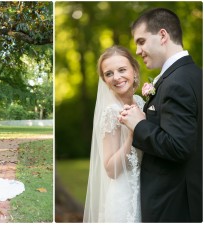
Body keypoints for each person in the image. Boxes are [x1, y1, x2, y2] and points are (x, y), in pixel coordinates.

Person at [119, 8, 202, 222]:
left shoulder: (177, 83)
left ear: (163, 35)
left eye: (141, 41)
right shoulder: (195, 75)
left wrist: (139, 125)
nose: (137, 50)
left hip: (173, 206)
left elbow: (179, 146)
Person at [83, 46, 145, 222]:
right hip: (124, 197)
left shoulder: (141, 102)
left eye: (122, 70)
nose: (116, 77)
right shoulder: (112, 112)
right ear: (104, 79)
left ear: (134, 70)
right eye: (109, 73)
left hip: (146, 191)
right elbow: (110, 169)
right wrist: (134, 134)